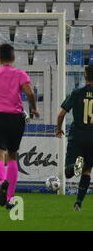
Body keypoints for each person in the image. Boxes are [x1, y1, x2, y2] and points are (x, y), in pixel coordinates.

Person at [0, 43, 39, 209]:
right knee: (12, 155)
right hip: (16, 119)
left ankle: (2, 181)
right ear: (13, 58)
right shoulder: (20, 74)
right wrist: (33, 108)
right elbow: (30, 92)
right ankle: (10, 198)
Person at [56, 64, 93, 211]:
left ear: (85, 77)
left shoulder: (77, 93)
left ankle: (74, 166)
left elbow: (61, 114)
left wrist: (58, 129)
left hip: (77, 135)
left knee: (68, 172)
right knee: (87, 170)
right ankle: (78, 202)